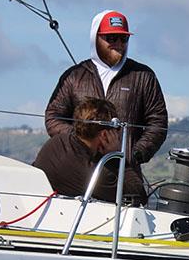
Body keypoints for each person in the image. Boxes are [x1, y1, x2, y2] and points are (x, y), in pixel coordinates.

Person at [45, 10, 168, 203]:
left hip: (122, 171)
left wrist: (133, 154)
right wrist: (82, 140)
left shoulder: (144, 76)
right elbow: (53, 117)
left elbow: (158, 124)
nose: (118, 43)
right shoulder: (74, 76)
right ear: (96, 38)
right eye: (112, 37)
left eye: (123, 38)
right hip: (78, 168)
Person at [34, 98, 143, 202]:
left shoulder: (57, 141)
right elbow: (138, 195)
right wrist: (116, 157)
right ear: (105, 134)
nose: (117, 134)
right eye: (116, 129)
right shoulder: (96, 174)